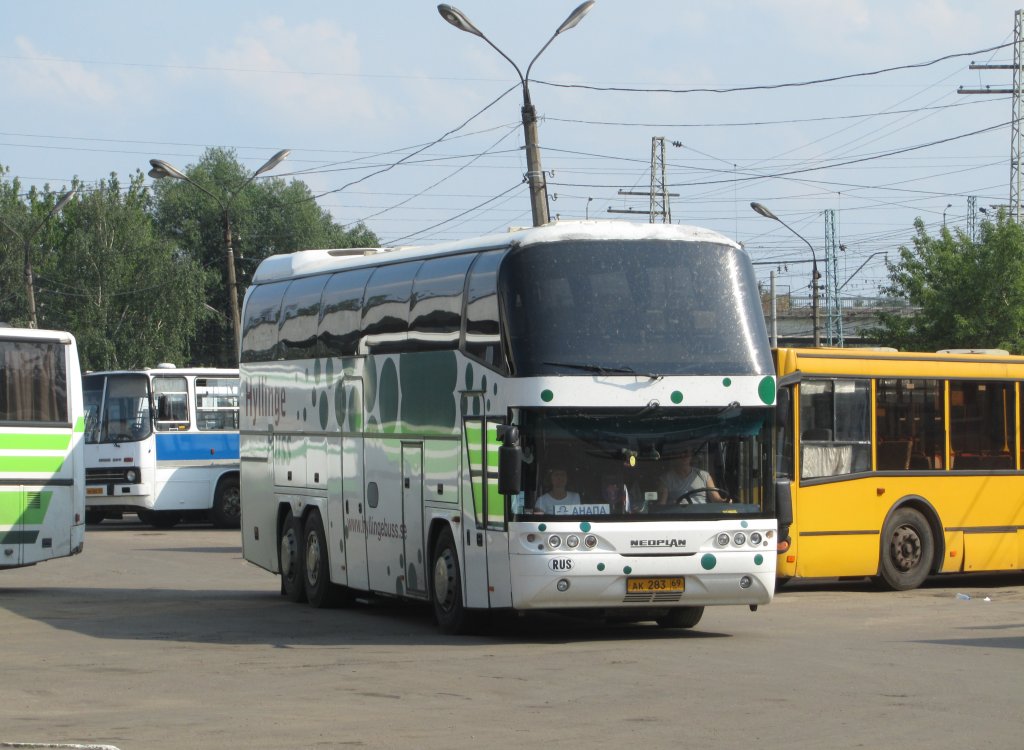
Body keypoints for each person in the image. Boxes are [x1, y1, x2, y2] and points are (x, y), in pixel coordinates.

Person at [657, 447, 723, 505]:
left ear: (691, 455)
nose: (683, 455)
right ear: (674, 456)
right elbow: (662, 504)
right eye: (679, 453)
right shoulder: (666, 479)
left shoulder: (704, 475)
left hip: (703, 516)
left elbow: (716, 499)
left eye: (686, 452)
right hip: (677, 516)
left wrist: (725, 502)